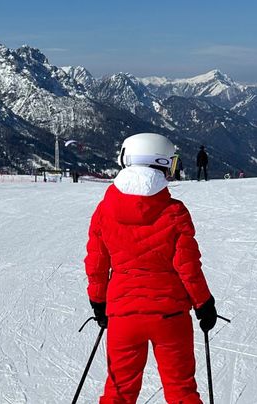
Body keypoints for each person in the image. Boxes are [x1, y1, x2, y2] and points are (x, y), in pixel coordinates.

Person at [85, 133, 216, 403]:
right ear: (163, 163)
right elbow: (188, 266)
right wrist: (204, 303)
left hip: (123, 314)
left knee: (119, 391)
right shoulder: (175, 211)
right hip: (170, 316)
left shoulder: (104, 210)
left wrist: (98, 302)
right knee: (181, 389)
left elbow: (96, 262)